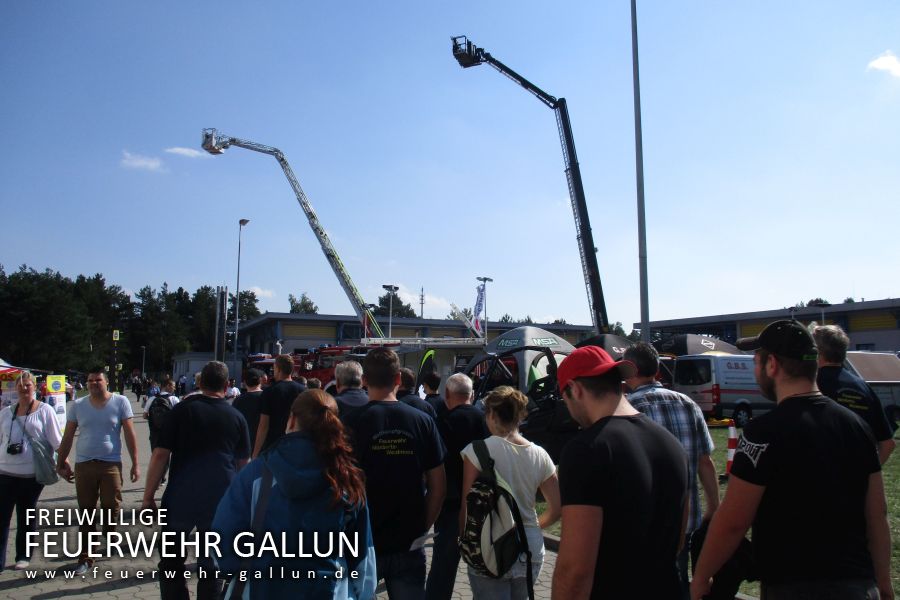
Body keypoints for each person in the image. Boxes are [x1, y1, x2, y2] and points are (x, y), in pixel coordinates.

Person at [691, 320, 892, 600]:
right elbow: (876, 515)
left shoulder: (764, 432)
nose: (754, 369)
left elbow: (734, 521)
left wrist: (701, 577)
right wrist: (883, 582)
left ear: (772, 364)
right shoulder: (856, 426)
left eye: (756, 361)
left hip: (793, 586)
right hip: (857, 584)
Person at [551, 346, 688, 599]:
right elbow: (678, 540)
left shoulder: (586, 450)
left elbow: (575, 570)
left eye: (565, 399)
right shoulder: (672, 444)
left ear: (575, 389)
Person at [212, 389, 377, 598]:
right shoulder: (346, 479)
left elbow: (222, 536)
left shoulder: (255, 474)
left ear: (291, 420)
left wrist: (234, 568)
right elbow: (363, 555)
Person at [343, 348, 447, 599]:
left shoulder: (351, 423)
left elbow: (338, 483)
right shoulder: (422, 421)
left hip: (362, 539)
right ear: (398, 379)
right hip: (408, 538)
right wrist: (423, 526)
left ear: (364, 380)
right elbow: (438, 485)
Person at [142, 361, 251, 600]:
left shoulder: (181, 411)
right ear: (227, 384)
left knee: (171, 559)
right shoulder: (236, 417)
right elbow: (244, 465)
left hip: (181, 495)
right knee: (211, 563)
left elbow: (160, 454)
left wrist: (148, 496)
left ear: (199, 383)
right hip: (220, 499)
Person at [623, 342, 719, 597]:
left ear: (630, 369)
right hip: (686, 520)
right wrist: (713, 506)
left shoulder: (628, 408)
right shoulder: (688, 403)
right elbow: (704, 461)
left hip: (646, 524)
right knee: (677, 581)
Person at [459, 386, 560, 600]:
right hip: (530, 546)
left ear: (492, 415)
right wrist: (532, 526)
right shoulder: (540, 454)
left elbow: (467, 506)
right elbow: (557, 508)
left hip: (490, 546)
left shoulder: (477, 450)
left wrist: (464, 540)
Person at [56, 367, 140, 575]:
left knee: (112, 505)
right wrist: (61, 462)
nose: (94, 383)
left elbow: (130, 434)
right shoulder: (77, 405)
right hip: (84, 465)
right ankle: (86, 556)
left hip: (111, 464)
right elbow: (67, 436)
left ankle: (109, 533)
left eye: (98, 380)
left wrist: (136, 463)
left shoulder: (120, 402)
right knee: (86, 511)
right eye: (90, 380)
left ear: (106, 382)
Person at [426, 374, 490, 600]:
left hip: (451, 503)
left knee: (443, 566)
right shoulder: (486, 420)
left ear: (447, 396)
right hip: (484, 503)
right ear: (471, 395)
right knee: (487, 565)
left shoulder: (441, 423)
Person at [0, 371, 63, 570]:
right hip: (4, 472)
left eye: (28, 385)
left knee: (26, 514)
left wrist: (65, 463)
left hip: (31, 474)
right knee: (2, 517)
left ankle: (23, 556)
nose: (24, 388)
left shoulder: (45, 410)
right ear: (15, 388)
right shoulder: (5, 412)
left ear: (35, 387)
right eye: (20, 385)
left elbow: (56, 441)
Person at [813, 324, 895, 464]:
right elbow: (888, 444)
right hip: (859, 479)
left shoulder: (811, 384)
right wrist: (870, 474)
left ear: (816, 352)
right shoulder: (862, 385)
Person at [253, 355, 305, 457]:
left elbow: (263, 426)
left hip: (274, 446)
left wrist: (255, 453)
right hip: (296, 445)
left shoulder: (269, 392)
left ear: (278, 369)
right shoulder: (303, 391)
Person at [232, 368, 264, 451]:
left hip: (245, 444)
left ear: (245, 382)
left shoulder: (238, 401)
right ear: (260, 380)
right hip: (265, 444)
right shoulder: (267, 397)